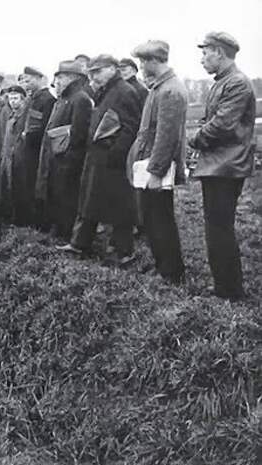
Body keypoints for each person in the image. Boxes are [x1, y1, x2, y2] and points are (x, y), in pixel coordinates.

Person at [188, 32, 256, 300]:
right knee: (216, 227)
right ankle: (225, 286)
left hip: (226, 167)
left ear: (219, 52)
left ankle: (230, 290)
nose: (202, 59)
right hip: (218, 165)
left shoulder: (237, 83)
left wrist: (194, 139)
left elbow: (221, 125)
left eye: (205, 53)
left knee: (220, 228)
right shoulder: (223, 82)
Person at [57, 55, 141, 265]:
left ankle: (123, 252)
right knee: (88, 201)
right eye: (91, 73)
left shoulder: (125, 92)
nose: (93, 77)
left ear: (113, 68)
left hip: (112, 160)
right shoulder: (107, 90)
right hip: (96, 156)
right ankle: (79, 244)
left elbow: (130, 128)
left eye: (98, 71)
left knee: (119, 206)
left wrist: (115, 155)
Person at [126, 40, 187, 284]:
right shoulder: (160, 88)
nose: (141, 66)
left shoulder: (170, 90)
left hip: (156, 165)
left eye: (143, 61)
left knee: (160, 219)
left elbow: (166, 137)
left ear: (154, 60)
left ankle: (171, 272)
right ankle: (163, 265)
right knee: (153, 218)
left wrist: (155, 171)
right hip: (150, 162)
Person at [36, 60, 92, 240]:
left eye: (62, 77)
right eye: (58, 77)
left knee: (67, 200)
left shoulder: (80, 99)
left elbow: (78, 134)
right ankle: (58, 232)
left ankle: (67, 236)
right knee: (56, 198)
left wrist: (68, 160)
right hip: (56, 159)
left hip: (67, 161)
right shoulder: (63, 99)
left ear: (74, 78)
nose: (58, 81)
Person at [17, 66, 56, 226]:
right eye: (25, 81)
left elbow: (45, 128)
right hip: (28, 150)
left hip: (37, 151)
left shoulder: (47, 100)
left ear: (40, 79)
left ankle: (40, 223)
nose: (26, 84)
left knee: (37, 186)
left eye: (29, 80)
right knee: (27, 184)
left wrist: (28, 136)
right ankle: (30, 221)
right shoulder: (32, 99)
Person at [0, 85, 29, 222]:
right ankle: (8, 216)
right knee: (6, 186)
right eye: (10, 98)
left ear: (22, 100)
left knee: (18, 187)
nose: (13, 101)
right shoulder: (10, 115)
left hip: (18, 157)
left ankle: (19, 219)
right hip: (6, 155)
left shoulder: (25, 116)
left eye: (16, 98)